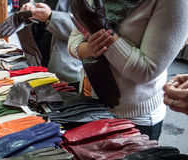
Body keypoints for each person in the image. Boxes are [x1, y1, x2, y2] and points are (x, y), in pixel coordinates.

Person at [67, 0, 188, 140]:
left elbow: (146, 71)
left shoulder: (173, 3)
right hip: (90, 104)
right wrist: (89, 48)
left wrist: (102, 31)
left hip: (134, 117)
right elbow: (74, 41)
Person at [20, 0, 82, 87]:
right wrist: (28, 13)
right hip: (37, 68)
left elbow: (83, 30)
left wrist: (51, 17)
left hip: (66, 74)